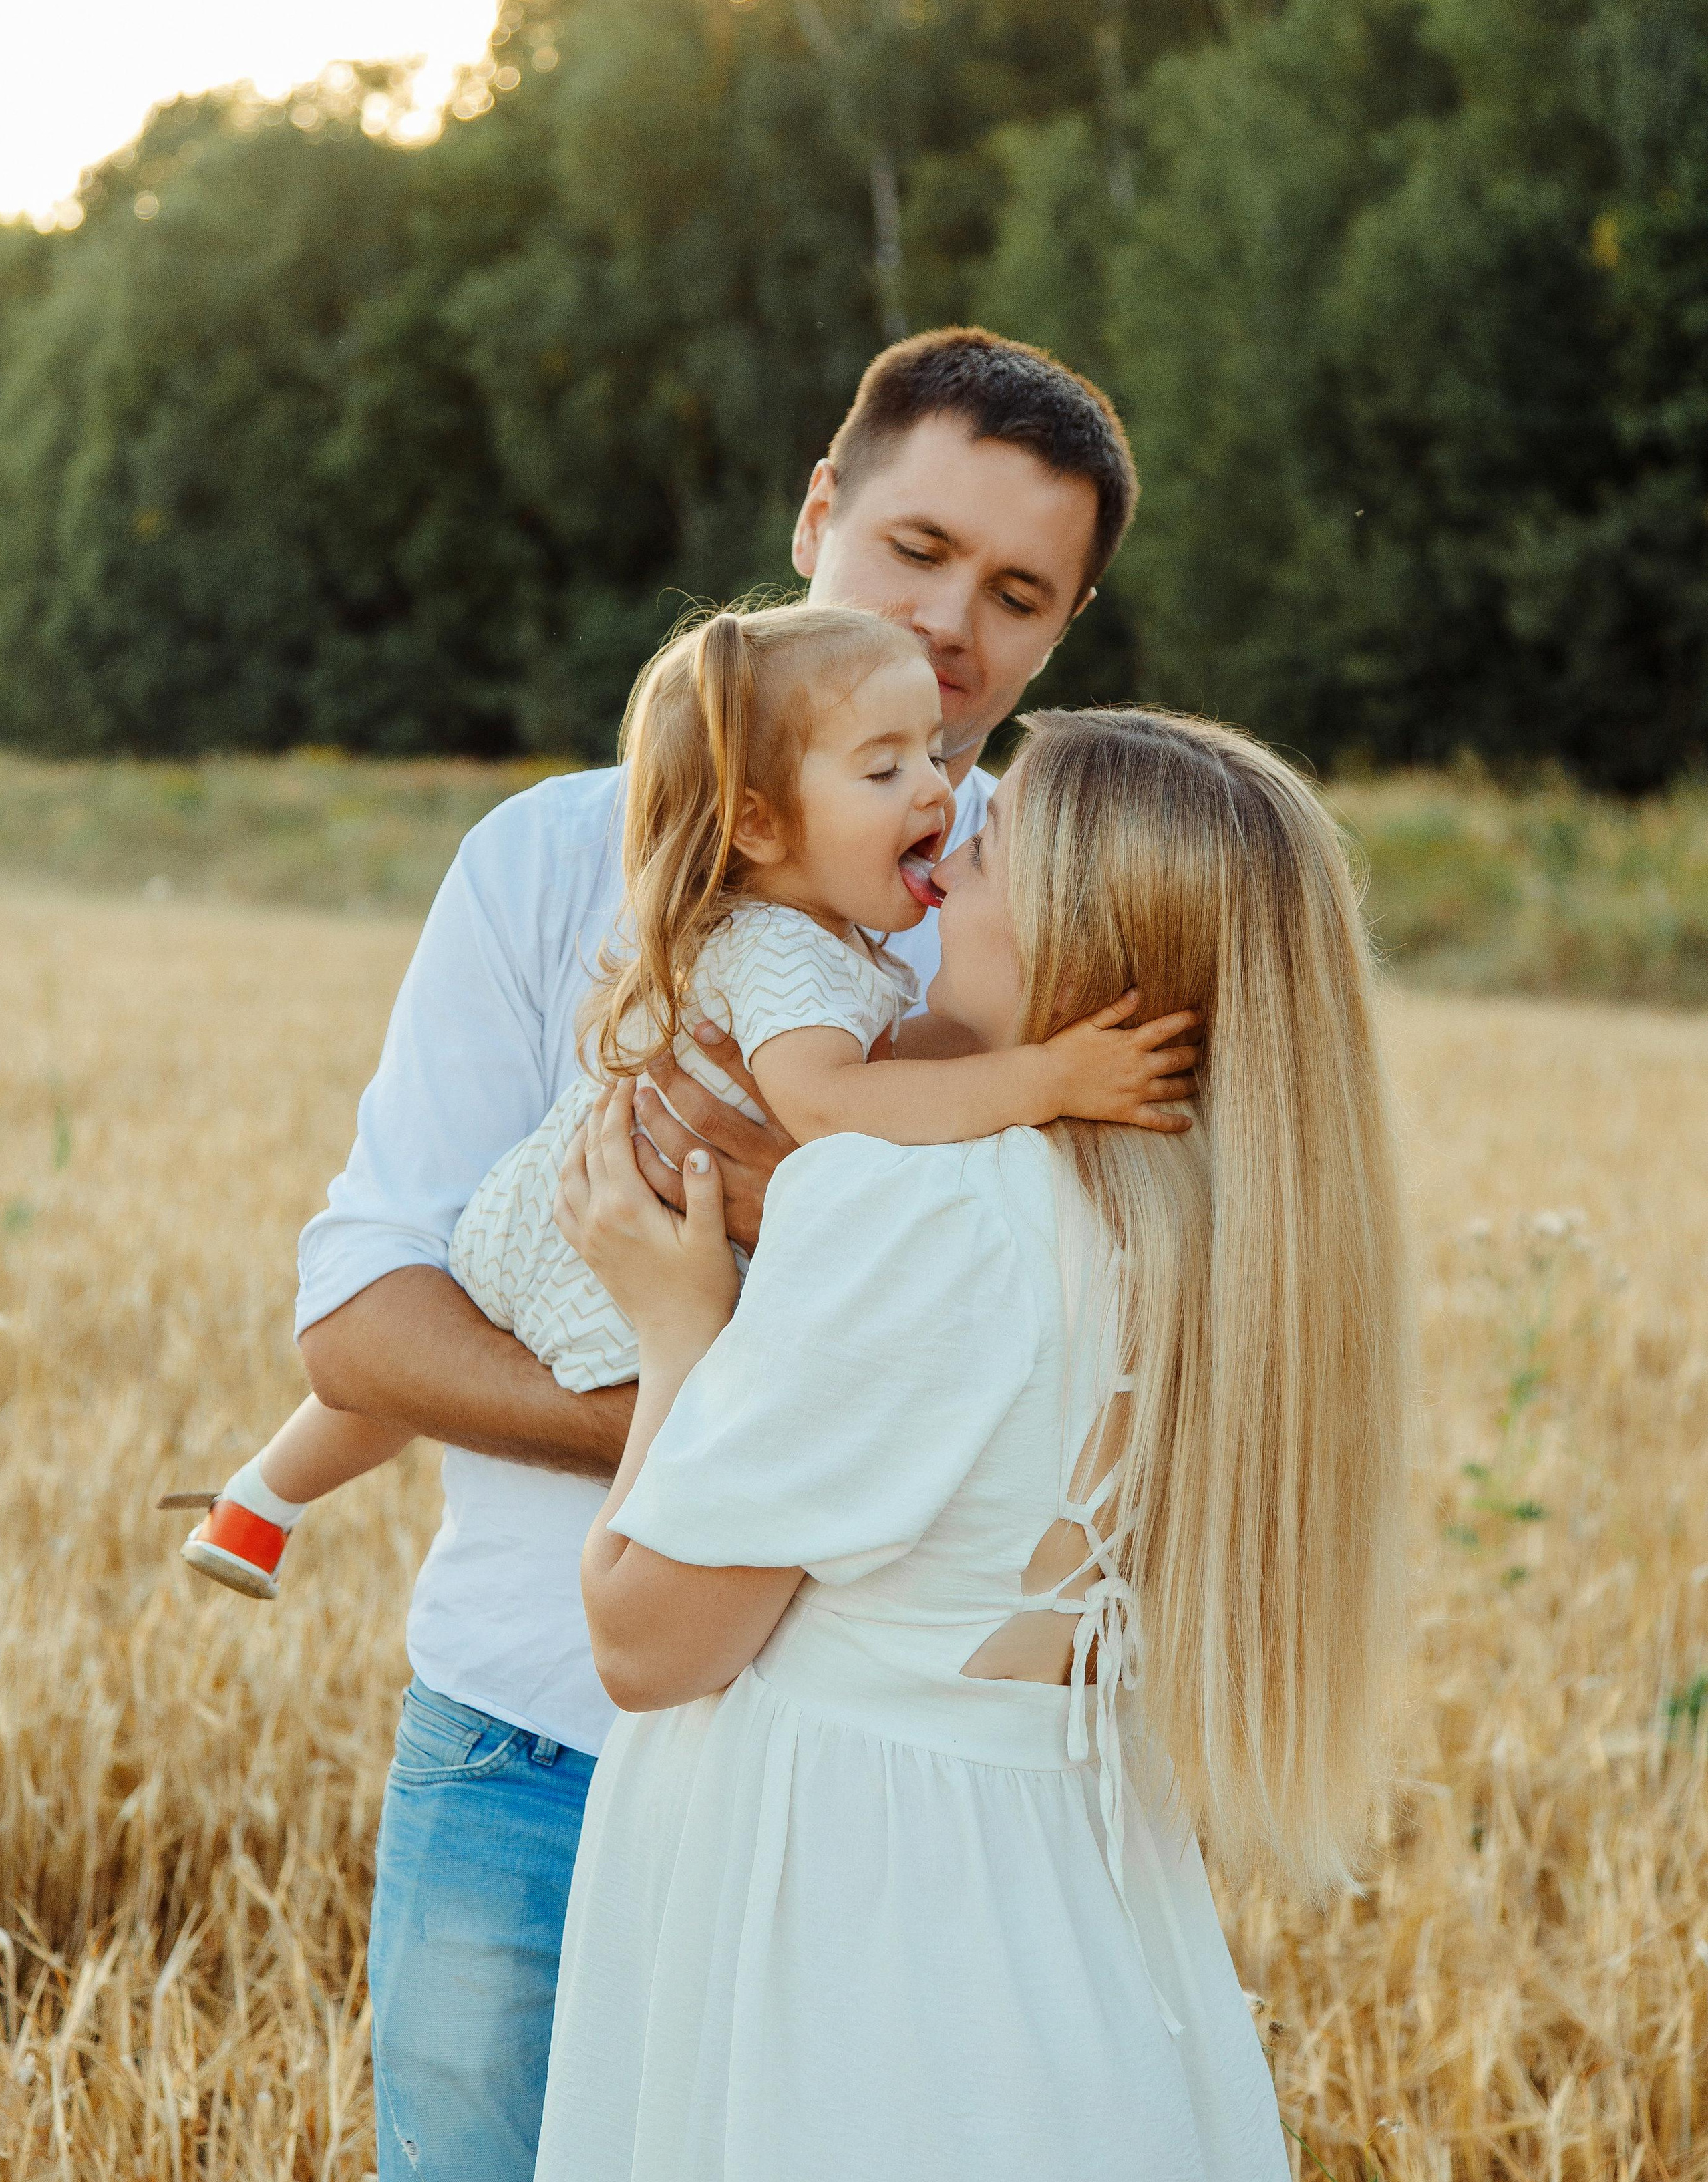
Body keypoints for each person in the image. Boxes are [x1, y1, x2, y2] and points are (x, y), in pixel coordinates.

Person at [281, 329, 1192, 2182]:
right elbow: (365, 1321)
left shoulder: (1050, 908)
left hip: (872, 1805)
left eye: (1018, 594)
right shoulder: (551, 859)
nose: (952, 625)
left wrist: (775, 1399)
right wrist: (712, 1415)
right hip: (535, 1737)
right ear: (816, 513)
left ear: (1064, 632)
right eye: (919, 549)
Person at [533, 705, 1412, 2182]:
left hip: (857, 1954)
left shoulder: (923, 1215)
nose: (946, 847)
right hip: (1082, 1917)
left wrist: (679, 1325)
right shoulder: (1226, 1259)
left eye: (990, 845)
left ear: (1084, 938)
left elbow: (645, 1642)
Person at [180, 603, 1190, 1596]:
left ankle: (259, 1502)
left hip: (588, 1211)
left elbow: (886, 1074)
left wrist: (1008, 1049)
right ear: (757, 821)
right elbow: (834, 1106)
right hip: (588, 1232)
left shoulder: (828, 941)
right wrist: (1046, 1078)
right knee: (632, 1421)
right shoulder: (783, 949)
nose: (935, 793)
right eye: (884, 770)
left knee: (412, 1390)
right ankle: (274, 1502)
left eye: (934, 754)